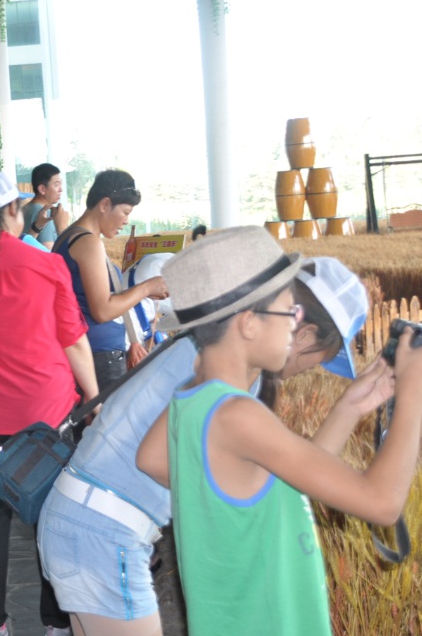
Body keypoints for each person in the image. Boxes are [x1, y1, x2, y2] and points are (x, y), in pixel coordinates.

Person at [37, 250, 382, 636]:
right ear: (302, 333)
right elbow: (156, 462)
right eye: (319, 359)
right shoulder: (227, 377)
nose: (308, 370)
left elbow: (159, 458)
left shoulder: (213, 347)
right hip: (105, 532)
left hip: (81, 518)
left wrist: (351, 405)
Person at [136, 227, 422, 636]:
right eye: (289, 312)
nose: (293, 327)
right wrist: (413, 392)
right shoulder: (238, 415)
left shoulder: (192, 398)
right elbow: (381, 503)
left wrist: (351, 406)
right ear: (249, 323)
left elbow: (151, 459)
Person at [0, 172, 100, 636]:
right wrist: (93, 397)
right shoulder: (45, 265)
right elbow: (73, 342)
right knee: (50, 516)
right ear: (15, 210)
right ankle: (55, 622)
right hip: (46, 416)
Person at [52, 169, 167, 390]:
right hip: (100, 354)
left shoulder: (68, 237)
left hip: (89, 350)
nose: (126, 221)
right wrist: (146, 287)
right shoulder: (88, 242)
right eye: (125, 212)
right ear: (104, 204)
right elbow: (102, 311)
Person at [22, 163, 69, 249]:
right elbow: (49, 253)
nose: (61, 189)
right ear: (42, 189)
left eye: (60, 184)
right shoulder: (44, 214)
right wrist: (62, 226)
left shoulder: (27, 208)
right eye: (56, 184)